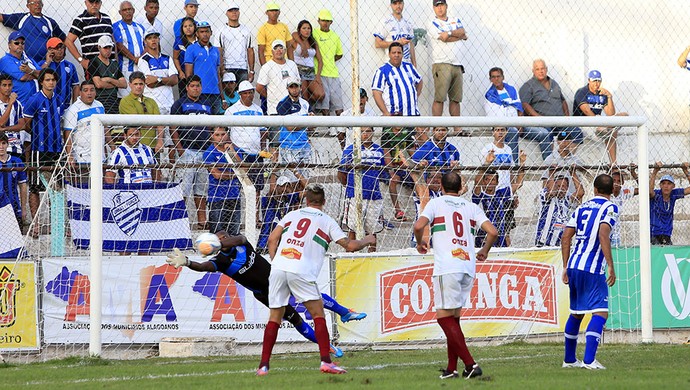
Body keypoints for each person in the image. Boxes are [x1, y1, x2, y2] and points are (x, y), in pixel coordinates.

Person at [165, 231, 367, 359]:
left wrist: (220, 242)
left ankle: (344, 312)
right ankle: (327, 346)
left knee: (312, 297)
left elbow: (240, 237)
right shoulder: (221, 263)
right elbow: (202, 266)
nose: (224, 239)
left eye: (224, 237)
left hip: (279, 280)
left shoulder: (243, 245)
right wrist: (187, 262)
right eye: (219, 239)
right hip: (265, 294)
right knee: (295, 319)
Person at [257, 183, 375, 375]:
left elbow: (272, 239)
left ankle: (263, 365)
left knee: (274, 317)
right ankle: (326, 362)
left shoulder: (292, 215)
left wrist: (276, 261)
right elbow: (350, 246)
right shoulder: (327, 221)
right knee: (318, 314)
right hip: (301, 270)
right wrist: (367, 240)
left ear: (306, 200)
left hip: (279, 267)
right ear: (324, 202)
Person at [413, 171, 497, 379]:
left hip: (447, 267)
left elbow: (418, 225)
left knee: (443, 318)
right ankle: (452, 369)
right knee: (454, 319)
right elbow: (493, 232)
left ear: (441, 186)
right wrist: (484, 251)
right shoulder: (471, 207)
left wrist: (420, 242)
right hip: (467, 267)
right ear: (461, 188)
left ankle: (471, 364)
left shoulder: (436, 203)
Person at [560, 174, 618, 370]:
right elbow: (603, 233)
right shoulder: (610, 207)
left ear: (594, 189)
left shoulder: (581, 207)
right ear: (613, 190)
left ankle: (569, 360)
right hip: (592, 268)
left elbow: (565, 237)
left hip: (575, 265)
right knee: (600, 312)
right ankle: (589, 360)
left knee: (576, 312)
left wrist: (565, 266)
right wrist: (610, 264)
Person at [23, 68, 62, 237]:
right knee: (35, 188)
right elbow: (26, 123)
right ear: (41, 82)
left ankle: (56, 224)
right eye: (47, 80)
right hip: (39, 150)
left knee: (57, 188)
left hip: (56, 150)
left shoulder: (59, 100)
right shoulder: (35, 100)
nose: (51, 82)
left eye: (53, 79)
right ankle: (36, 224)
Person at [170, 75, 212, 229]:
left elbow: (211, 128)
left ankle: (202, 222)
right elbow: (172, 127)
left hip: (204, 152)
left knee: (201, 190)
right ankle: (180, 221)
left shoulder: (207, 104)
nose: (196, 88)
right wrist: (179, 148)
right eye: (192, 86)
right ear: (187, 87)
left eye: (198, 86)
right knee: (184, 189)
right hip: (186, 151)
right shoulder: (179, 104)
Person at [519, 59, 582, 160]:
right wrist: (538, 117)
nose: (541, 71)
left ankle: (566, 160)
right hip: (544, 123)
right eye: (537, 69)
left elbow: (563, 101)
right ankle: (550, 166)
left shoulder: (554, 83)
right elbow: (525, 104)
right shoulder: (528, 86)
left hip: (560, 123)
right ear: (533, 71)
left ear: (546, 69)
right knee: (547, 135)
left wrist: (566, 117)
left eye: (542, 68)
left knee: (576, 132)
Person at [338, 126, 386, 252]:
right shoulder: (350, 150)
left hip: (374, 196)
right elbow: (341, 174)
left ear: (373, 132)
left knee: (373, 229)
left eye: (368, 131)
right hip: (354, 196)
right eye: (362, 131)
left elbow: (383, 173)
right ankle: (350, 256)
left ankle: (372, 256)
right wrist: (350, 188)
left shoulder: (379, 151)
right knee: (352, 228)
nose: (365, 134)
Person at [225, 81, 268, 210]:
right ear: (240, 95)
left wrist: (262, 149)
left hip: (256, 154)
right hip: (240, 152)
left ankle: (255, 217)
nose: (248, 95)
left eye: (250, 92)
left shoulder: (258, 110)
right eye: (245, 93)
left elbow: (262, 132)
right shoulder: (231, 111)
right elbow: (226, 132)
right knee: (239, 185)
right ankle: (240, 216)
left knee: (257, 188)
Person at [573, 70, 629, 164]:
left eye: (599, 80)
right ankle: (613, 162)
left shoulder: (602, 94)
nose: (597, 83)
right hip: (584, 123)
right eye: (594, 81)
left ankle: (613, 164)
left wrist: (609, 97)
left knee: (624, 116)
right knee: (610, 131)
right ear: (589, 81)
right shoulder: (582, 92)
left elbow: (610, 114)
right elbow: (587, 111)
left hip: (599, 122)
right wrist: (601, 122)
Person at [428, 0, 467, 128]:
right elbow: (444, 38)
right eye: (437, 6)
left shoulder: (455, 20)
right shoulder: (432, 23)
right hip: (441, 63)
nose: (439, 8)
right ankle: (437, 127)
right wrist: (458, 36)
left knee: (456, 99)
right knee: (440, 98)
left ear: (446, 6)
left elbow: (463, 32)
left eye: (442, 5)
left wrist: (449, 33)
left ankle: (457, 128)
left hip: (458, 64)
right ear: (434, 8)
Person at [472, 163, 526, 248]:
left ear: (497, 182)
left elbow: (519, 183)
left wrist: (522, 164)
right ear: (483, 181)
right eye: (487, 179)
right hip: (484, 237)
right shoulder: (479, 196)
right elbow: (477, 183)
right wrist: (486, 164)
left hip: (500, 237)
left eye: (493, 180)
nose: (489, 182)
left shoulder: (501, 194)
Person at [202, 126, 242, 235]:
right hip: (216, 197)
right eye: (217, 135)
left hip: (234, 196)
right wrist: (236, 174)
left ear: (227, 134)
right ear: (211, 136)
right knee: (218, 233)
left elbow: (243, 169)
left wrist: (232, 152)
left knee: (234, 233)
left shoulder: (235, 150)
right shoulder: (208, 153)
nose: (221, 137)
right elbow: (217, 175)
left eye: (223, 134)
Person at [63, 80, 107, 179]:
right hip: (82, 158)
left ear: (95, 92)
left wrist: (111, 149)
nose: (89, 93)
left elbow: (105, 129)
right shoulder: (73, 110)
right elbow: (68, 134)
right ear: (80, 92)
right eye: (86, 90)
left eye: (92, 90)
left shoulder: (100, 106)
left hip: (100, 158)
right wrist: (69, 156)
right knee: (84, 189)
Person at [0, 0, 66, 63]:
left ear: (42, 5)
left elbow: (64, 39)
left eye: (39, 2)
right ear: (28, 6)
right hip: (28, 62)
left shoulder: (50, 22)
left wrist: (60, 55)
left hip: (48, 61)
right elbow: (2, 17)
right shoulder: (21, 18)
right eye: (33, 3)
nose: (37, 5)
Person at [372, 42, 422, 117]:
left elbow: (420, 81)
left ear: (402, 54)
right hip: (393, 117)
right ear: (389, 54)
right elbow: (376, 93)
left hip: (412, 115)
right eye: (393, 53)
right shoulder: (382, 71)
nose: (396, 55)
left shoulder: (409, 67)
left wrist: (414, 95)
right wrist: (385, 112)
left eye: (399, 52)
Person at [535, 169, 584, 247]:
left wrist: (573, 173)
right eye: (558, 186)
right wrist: (552, 172)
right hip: (544, 242)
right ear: (554, 186)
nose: (561, 188)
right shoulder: (545, 195)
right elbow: (551, 192)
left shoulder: (567, 199)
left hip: (561, 244)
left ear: (567, 188)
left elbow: (580, 192)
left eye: (564, 186)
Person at [138, 27, 179, 117]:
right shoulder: (143, 60)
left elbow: (175, 80)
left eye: (155, 37)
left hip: (169, 104)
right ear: (145, 41)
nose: (153, 40)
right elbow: (149, 83)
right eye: (149, 38)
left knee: (168, 130)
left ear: (159, 39)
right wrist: (168, 81)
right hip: (152, 103)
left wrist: (158, 79)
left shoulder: (167, 58)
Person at [118, 71, 163, 152]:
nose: (138, 87)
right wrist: (153, 124)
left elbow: (159, 123)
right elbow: (137, 122)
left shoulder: (151, 101)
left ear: (144, 85)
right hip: (134, 147)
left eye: (141, 84)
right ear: (130, 85)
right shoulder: (125, 101)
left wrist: (160, 141)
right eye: (135, 84)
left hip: (153, 146)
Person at [484, 67, 521, 161]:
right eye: (493, 77)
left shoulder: (512, 90)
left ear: (503, 77)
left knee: (543, 133)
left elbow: (519, 106)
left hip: (518, 123)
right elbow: (495, 118)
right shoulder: (490, 96)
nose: (496, 79)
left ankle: (549, 167)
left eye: (498, 76)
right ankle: (514, 167)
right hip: (503, 127)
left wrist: (520, 123)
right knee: (513, 132)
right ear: (490, 79)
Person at [184, 20, 222, 115]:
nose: (205, 34)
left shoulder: (216, 51)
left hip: (215, 93)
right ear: (197, 33)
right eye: (202, 32)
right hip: (200, 93)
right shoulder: (191, 49)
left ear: (211, 33)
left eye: (207, 31)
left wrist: (222, 96)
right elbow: (189, 74)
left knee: (217, 123)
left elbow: (217, 73)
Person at [276, 78, 312, 174]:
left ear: (300, 87)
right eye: (291, 87)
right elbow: (290, 128)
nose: (294, 89)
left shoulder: (305, 104)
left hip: (304, 145)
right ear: (287, 88)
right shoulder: (283, 104)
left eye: (296, 86)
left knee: (305, 177)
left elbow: (312, 126)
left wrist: (310, 122)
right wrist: (308, 121)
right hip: (289, 146)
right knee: (292, 180)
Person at [65, 0, 114, 71]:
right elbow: (68, 41)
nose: (94, 5)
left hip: (110, 65)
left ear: (100, 3)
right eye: (91, 2)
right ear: (86, 3)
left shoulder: (107, 19)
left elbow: (112, 40)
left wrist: (116, 60)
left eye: (97, 2)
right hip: (93, 66)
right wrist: (81, 60)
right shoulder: (81, 20)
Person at [648, 161, 690, 245]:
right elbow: (649, 192)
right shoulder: (657, 195)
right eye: (663, 183)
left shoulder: (673, 194)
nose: (666, 186)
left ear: (673, 186)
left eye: (669, 184)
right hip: (654, 234)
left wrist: (685, 170)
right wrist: (655, 171)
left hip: (667, 234)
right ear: (660, 186)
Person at [312, 9, 344, 117]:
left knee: (338, 105)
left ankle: (341, 130)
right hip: (319, 73)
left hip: (333, 73)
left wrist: (329, 60)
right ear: (318, 21)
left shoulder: (335, 36)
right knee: (324, 106)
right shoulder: (314, 33)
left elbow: (340, 54)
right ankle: (330, 127)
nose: (325, 23)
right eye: (323, 20)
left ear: (331, 22)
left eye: (327, 21)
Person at [256, 40, 300, 116]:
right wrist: (271, 97)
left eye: (281, 48)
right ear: (272, 52)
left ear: (285, 50)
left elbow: (298, 83)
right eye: (275, 48)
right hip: (274, 110)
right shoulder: (266, 67)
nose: (278, 50)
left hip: (293, 110)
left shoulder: (292, 64)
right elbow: (259, 88)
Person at [215, 3, 255, 83]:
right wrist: (222, 70)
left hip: (242, 68)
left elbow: (250, 51)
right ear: (226, 13)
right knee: (228, 94)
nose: (234, 13)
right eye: (231, 11)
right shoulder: (221, 31)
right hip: (227, 68)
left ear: (239, 12)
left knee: (243, 93)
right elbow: (219, 51)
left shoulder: (246, 30)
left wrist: (251, 71)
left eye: (236, 10)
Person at [113, 1, 145, 98]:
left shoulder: (140, 27)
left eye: (129, 9)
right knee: (125, 96)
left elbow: (146, 45)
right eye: (124, 10)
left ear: (133, 10)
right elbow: (119, 45)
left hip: (140, 66)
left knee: (141, 95)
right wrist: (134, 58)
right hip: (125, 68)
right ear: (120, 12)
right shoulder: (116, 26)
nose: (127, 12)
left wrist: (140, 58)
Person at [88, 35, 126, 115]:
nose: (108, 50)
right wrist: (116, 84)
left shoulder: (114, 63)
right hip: (99, 100)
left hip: (114, 101)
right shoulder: (93, 62)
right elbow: (98, 84)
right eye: (105, 48)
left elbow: (124, 84)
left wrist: (109, 79)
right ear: (99, 48)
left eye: (110, 47)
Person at [38, 38, 79, 112]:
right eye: (56, 48)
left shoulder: (70, 66)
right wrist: (48, 62)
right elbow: (38, 75)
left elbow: (75, 86)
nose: (60, 50)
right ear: (50, 50)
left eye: (61, 47)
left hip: (65, 106)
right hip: (46, 106)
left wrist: (75, 104)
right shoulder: (43, 64)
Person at [0, 31, 39, 105]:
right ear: (9, 45)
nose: (20, 45)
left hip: (34, 102)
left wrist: (30, 71)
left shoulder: (28, 59)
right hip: (19, 103)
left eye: (22, 43)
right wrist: (36, 75)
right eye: (17, 43)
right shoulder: (5, 60)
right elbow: (23, 77)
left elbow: (43, 73)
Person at [291, 20, 324, 106]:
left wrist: (318, 76)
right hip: (299, 71)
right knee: (304, 96)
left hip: (311, 72)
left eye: (309, 28)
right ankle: (307, 112)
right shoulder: (295, 41)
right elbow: (293, 33)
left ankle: (309, 101)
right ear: (299, 30)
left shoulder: (313, 42)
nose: (307, 30)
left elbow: (320, 61)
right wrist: (302, 45)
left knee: (320, 94)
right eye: (304, 28)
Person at [374, 0, 416, 66]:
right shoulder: (385, 22)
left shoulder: (408, 23)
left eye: (400, 3)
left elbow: (411, 45)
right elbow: (377, 44)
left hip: (407, 64)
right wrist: (397, 42)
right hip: (391, 64)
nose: (398, 6)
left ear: (403, 4)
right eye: (395, 3)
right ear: (391, 5)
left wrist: (414, 64)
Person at [0, 132, 28, 230]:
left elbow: (23, 185)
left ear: (7, 144)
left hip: (14, 207)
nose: (1, 146)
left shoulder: (17, 162)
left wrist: (24, 208)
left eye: (3, 143)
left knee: (17, 239)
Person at [0, 74, 28, 161]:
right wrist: (10, 104)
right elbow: (1, 123)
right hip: (2, 148)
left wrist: (5, 129)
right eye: (4, 85)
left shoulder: (17, 103)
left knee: (18, 172)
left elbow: (22, 125)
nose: (7, 88)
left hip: (17, 146)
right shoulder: (13, 103)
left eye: (10, 85)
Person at [609, 167, 638, 246]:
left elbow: (643, 189)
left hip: (616, 234)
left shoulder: (624, 192)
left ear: (622, 183)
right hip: (605, 232)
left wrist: (633, 174)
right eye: (614, 180)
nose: (616, 183)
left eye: (619, 181)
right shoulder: (606, 193)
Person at [172, 16, 196, 97]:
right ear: (182, 28)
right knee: (184, 97)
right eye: (185, 26)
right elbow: (175, 58)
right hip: (183, 76)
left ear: (194, 27)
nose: (188, 28)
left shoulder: (199, 40)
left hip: (197, 74)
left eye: (190, 26)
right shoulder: (179, 40)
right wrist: (180, 71)